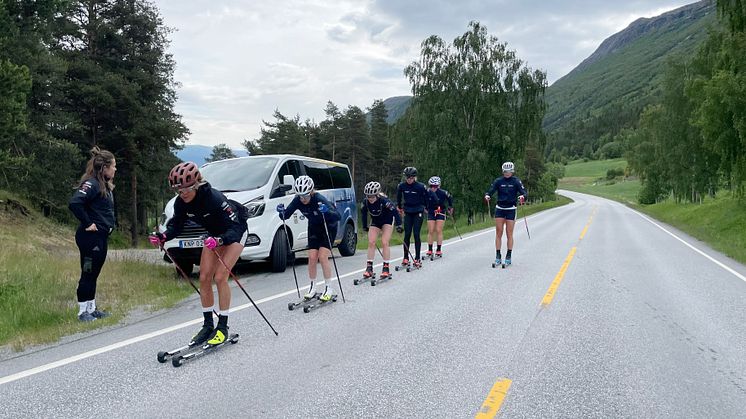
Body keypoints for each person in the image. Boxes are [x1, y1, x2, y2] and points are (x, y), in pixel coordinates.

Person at [149, 162, 248, 346]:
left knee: (220, 277)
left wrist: (220, 240)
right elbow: (176, 225)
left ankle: (223, 327)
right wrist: (162, 236)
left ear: (195, 184)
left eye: (186, 189)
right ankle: (207, 325)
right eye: (179, 191)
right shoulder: (181, 203)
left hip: (235, 233)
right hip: (214, 235)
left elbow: (235, 227)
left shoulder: (214, 198)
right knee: (203, 277)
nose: (183, 194)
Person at [69, 147, 117, 322]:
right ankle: (82, 312)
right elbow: (75, 203)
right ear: (104, 167)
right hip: (90, 238)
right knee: (87, 272)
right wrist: (88, 223)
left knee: (94, 273)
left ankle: (92, 307)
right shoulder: (92, 184)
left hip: (101, 237)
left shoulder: (104, 185)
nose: (115, 169)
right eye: (113, 166)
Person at [277, 175, 341, 302]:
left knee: (322, 257)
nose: (303, 199)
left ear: (311, 192)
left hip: (328, 228)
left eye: (305, 196)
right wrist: (281, 212)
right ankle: (312, 287)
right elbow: (285, 216)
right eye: (300, 196)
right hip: (313, 228)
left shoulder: (319, 199)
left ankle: (329, 287)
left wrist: (326, 211)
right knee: (311, 258)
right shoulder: (297, 200)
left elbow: (337, 216)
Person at [484, 161, 527, 266]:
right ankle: (498, 255)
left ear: (512, 171)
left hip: (511, 209)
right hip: (500, 208)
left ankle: (508, 255)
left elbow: (524, 192)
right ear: (503, 171)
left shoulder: (516, 181)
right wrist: (487, 195)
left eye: (509, 171)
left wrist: (522, 197)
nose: (507, 173)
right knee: (499, 232)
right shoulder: (499, 181)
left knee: (509, 233)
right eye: (505, 171)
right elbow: (491, 190)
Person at [360, 181, 403, 279]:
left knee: (384, 242)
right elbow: (363, 214)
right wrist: (364, 226)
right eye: (368, 196)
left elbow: (395, 212)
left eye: (372, 196)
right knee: (371, 242)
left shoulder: (384, 201)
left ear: (377, 195)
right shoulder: (365, 202)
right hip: (375, 221)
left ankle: (386, 268)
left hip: (387, 220)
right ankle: (369, 268)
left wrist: (399, 224)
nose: (370, 198)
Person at [396, 166, 428, 268]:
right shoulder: (402, 186)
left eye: (411, 178)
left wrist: (425, 207)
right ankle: (406, 257)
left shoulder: (420, 186)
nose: (409, 180)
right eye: (407, 177)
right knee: (407, 234)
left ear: (414, 177)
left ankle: (417, 257)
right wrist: (399, 207)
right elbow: (399, 197)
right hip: (408, 211)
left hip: (418, 211)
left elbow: (426, 197)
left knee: (416, 233)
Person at [425, 176, 453, 258]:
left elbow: (450, 199)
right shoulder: (427, 192)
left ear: (439, 186)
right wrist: (424, 208)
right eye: (431, 186)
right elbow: (423, 200)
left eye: (436, 186)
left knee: (438, 230)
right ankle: (430, 249)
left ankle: (438, 249)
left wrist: (450, 207)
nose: (433, 188)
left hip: (440, 212)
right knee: (430, 230)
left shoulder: (443, 192)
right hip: (431, 212)